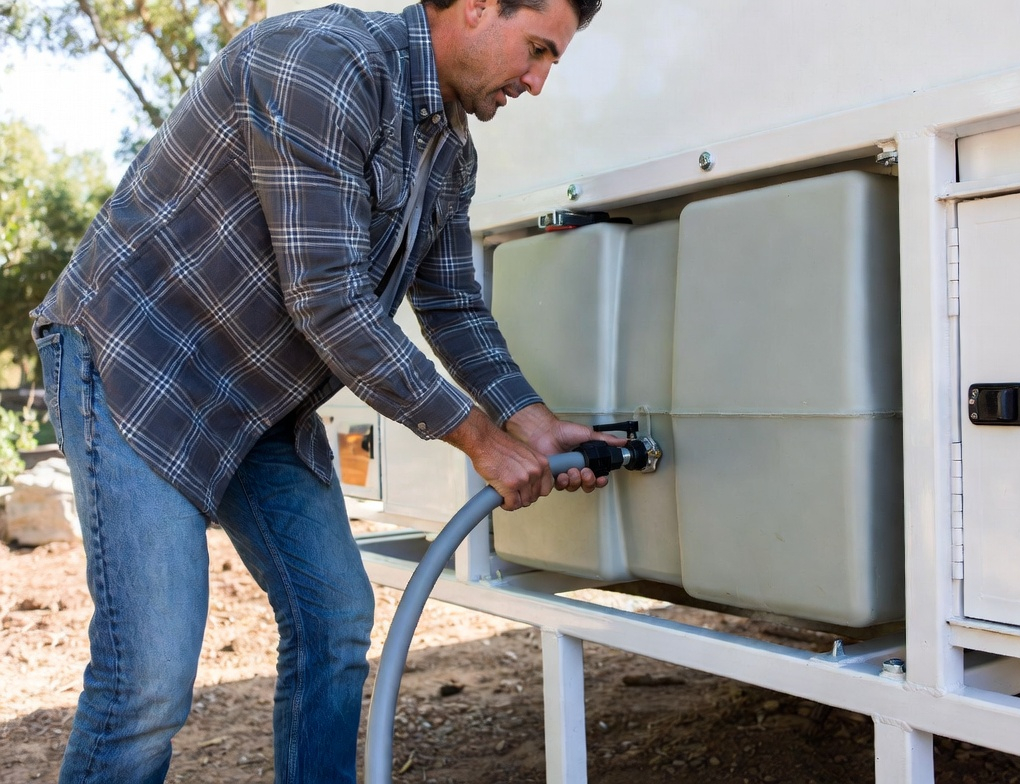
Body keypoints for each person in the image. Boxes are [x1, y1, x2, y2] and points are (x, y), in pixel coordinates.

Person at [30, 0, 607, 781]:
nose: (537, 82)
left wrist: (528, 421)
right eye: (537, 50)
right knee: (150, 678)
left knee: (334, 617)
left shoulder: (450, 152)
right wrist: (479, 439)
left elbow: (453, 307)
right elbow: (328, 300)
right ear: (475, 7)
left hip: (259, 401)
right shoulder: (322, 62)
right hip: (141, 366)